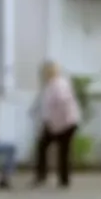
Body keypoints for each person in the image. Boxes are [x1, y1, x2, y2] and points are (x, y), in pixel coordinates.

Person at [32, 60, 81, 188]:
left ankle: (53, 178)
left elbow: (62, 102)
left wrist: (54, 122)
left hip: (64, 123)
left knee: (55, 149)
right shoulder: (52, 84)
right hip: (60, 123)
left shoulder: (58, 84)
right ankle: (58, 179)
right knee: (54, 149)